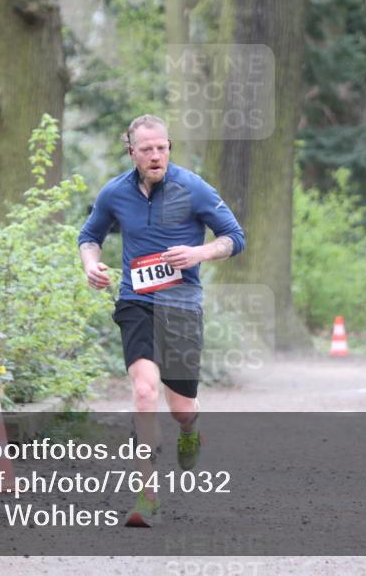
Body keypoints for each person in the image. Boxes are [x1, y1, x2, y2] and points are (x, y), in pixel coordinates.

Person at [78, 114, 245, 527]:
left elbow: (234, 238)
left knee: (181, 409)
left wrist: (198, 254)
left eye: (162, 148)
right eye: (147, 149)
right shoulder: (114, 193)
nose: (156, 156)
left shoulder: (193, 188)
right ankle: (146, 495)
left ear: (170, 147)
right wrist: (91, 267)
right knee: (143, 390)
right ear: (131, 151)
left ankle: (191, 429)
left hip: (183, 306)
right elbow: (90, 237)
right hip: (136, 302)